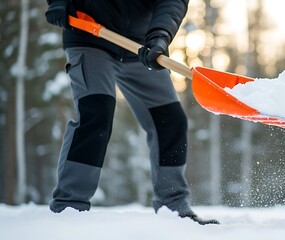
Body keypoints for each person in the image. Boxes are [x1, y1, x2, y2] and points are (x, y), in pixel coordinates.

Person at [45, 0, 218, 225]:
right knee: (97, 111)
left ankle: (173, 208)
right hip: (90, 35)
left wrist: (160, 36)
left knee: (170, 119)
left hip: (140, 46)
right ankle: (70, 208)